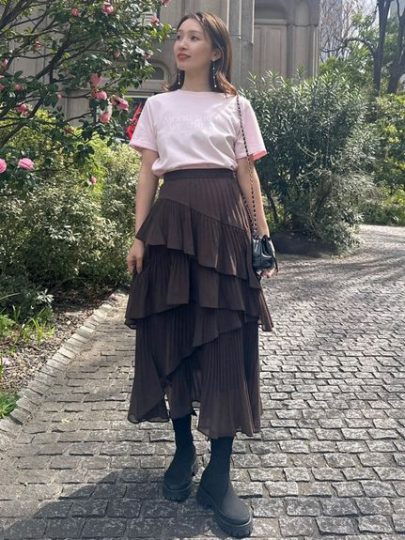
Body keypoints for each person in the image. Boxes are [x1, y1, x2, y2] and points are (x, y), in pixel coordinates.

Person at [125, 11, 278, 539]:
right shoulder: (158, 106)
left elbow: (247, 174)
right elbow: (147, 173)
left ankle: (220, 473)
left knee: (226, 341)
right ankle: (183, 451)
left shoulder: (237, 106)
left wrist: (261, 237)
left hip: (226, 228)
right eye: (180, 36)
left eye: (195, 37)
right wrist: (139, 235)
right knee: (173, 334)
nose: (182, 44)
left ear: (216, 51)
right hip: (171, 229)